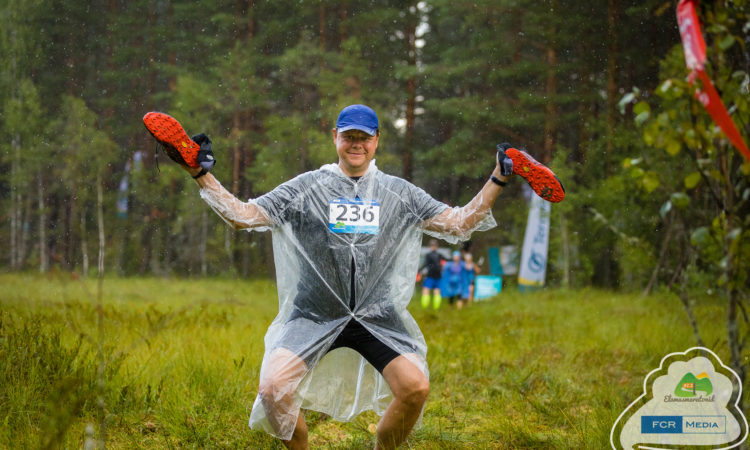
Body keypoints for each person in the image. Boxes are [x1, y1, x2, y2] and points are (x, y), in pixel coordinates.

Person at [143, 104, 564, 449]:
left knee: (415, 389)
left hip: (375, 319)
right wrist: (200, 172)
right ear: (336, 139)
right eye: (349, 136)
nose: (356, 144)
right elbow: (245, 216)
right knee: (273, 391)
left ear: (377, 141)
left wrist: (499, 178)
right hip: (313, 315)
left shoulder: (399, 193)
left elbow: (458, 224)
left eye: (364, 137)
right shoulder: (306, 187)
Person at [419, 239, 445, 309]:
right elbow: (444, 263)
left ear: (430, 246)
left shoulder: (428, 255)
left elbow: (425, 264)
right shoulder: (440, 255)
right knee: (437, 292)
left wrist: (419, 270)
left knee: (426, 291)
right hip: (438, 275)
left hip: (430, 276)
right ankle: (436, 308)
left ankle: (424, 308)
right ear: (437, 246)